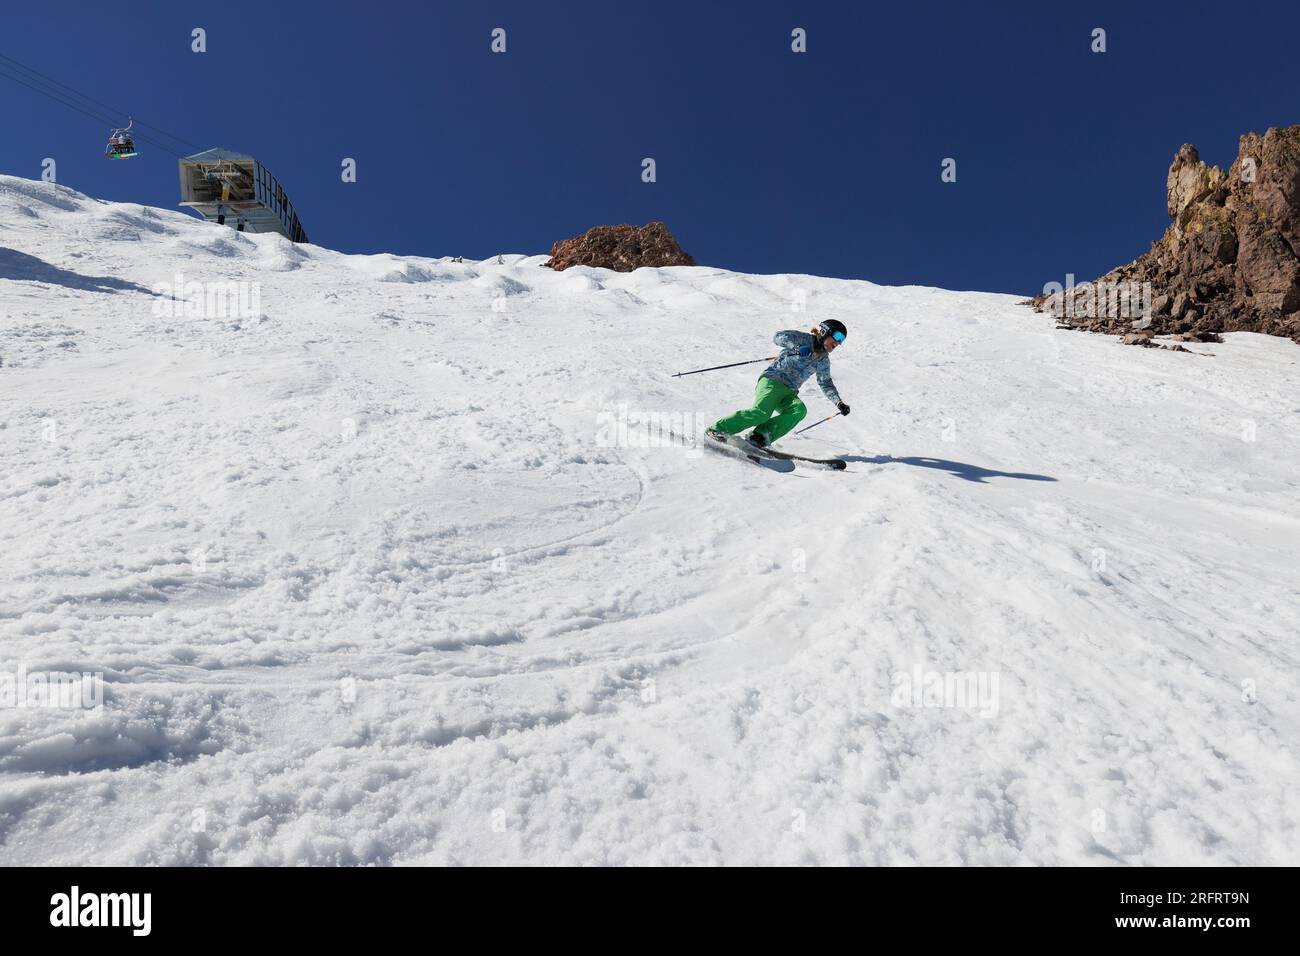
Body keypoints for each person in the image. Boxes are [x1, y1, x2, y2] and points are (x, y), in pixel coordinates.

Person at [708, 320, 850, 448]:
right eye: (837, 337)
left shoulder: (823, 361)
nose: (838, 342)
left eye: (841, 340)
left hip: (789, 391)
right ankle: (718, 429)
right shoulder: (804, 339)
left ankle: (760, 436)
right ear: (825, 332)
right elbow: (778, 336)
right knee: (761, 414)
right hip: (772, 380)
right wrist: (795, 348)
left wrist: (839, 402)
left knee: (798, 410)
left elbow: (825, 383)